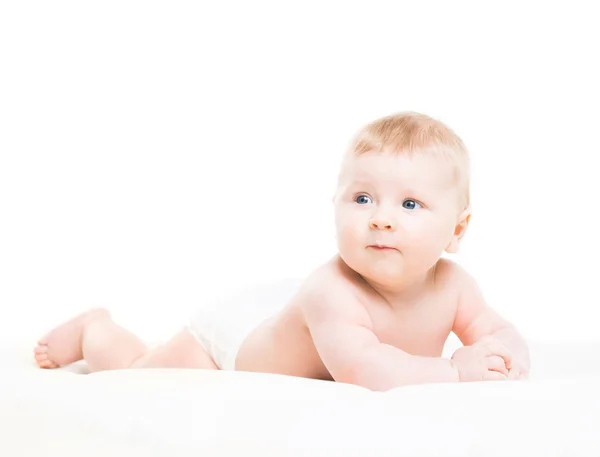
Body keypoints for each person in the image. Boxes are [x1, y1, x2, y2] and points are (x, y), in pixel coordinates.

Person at [34, 111, 530, 391]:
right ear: (334, 203)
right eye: (362, 198)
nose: (381, 217)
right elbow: (364, 369)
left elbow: (494, 330)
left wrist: (509, 355)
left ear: (457, 231)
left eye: (410, 203)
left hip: (279, 316)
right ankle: (94, 329)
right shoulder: (333, 292)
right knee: (138, 378)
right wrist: (455, 369)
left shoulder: (455, 286)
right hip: (231, 344)